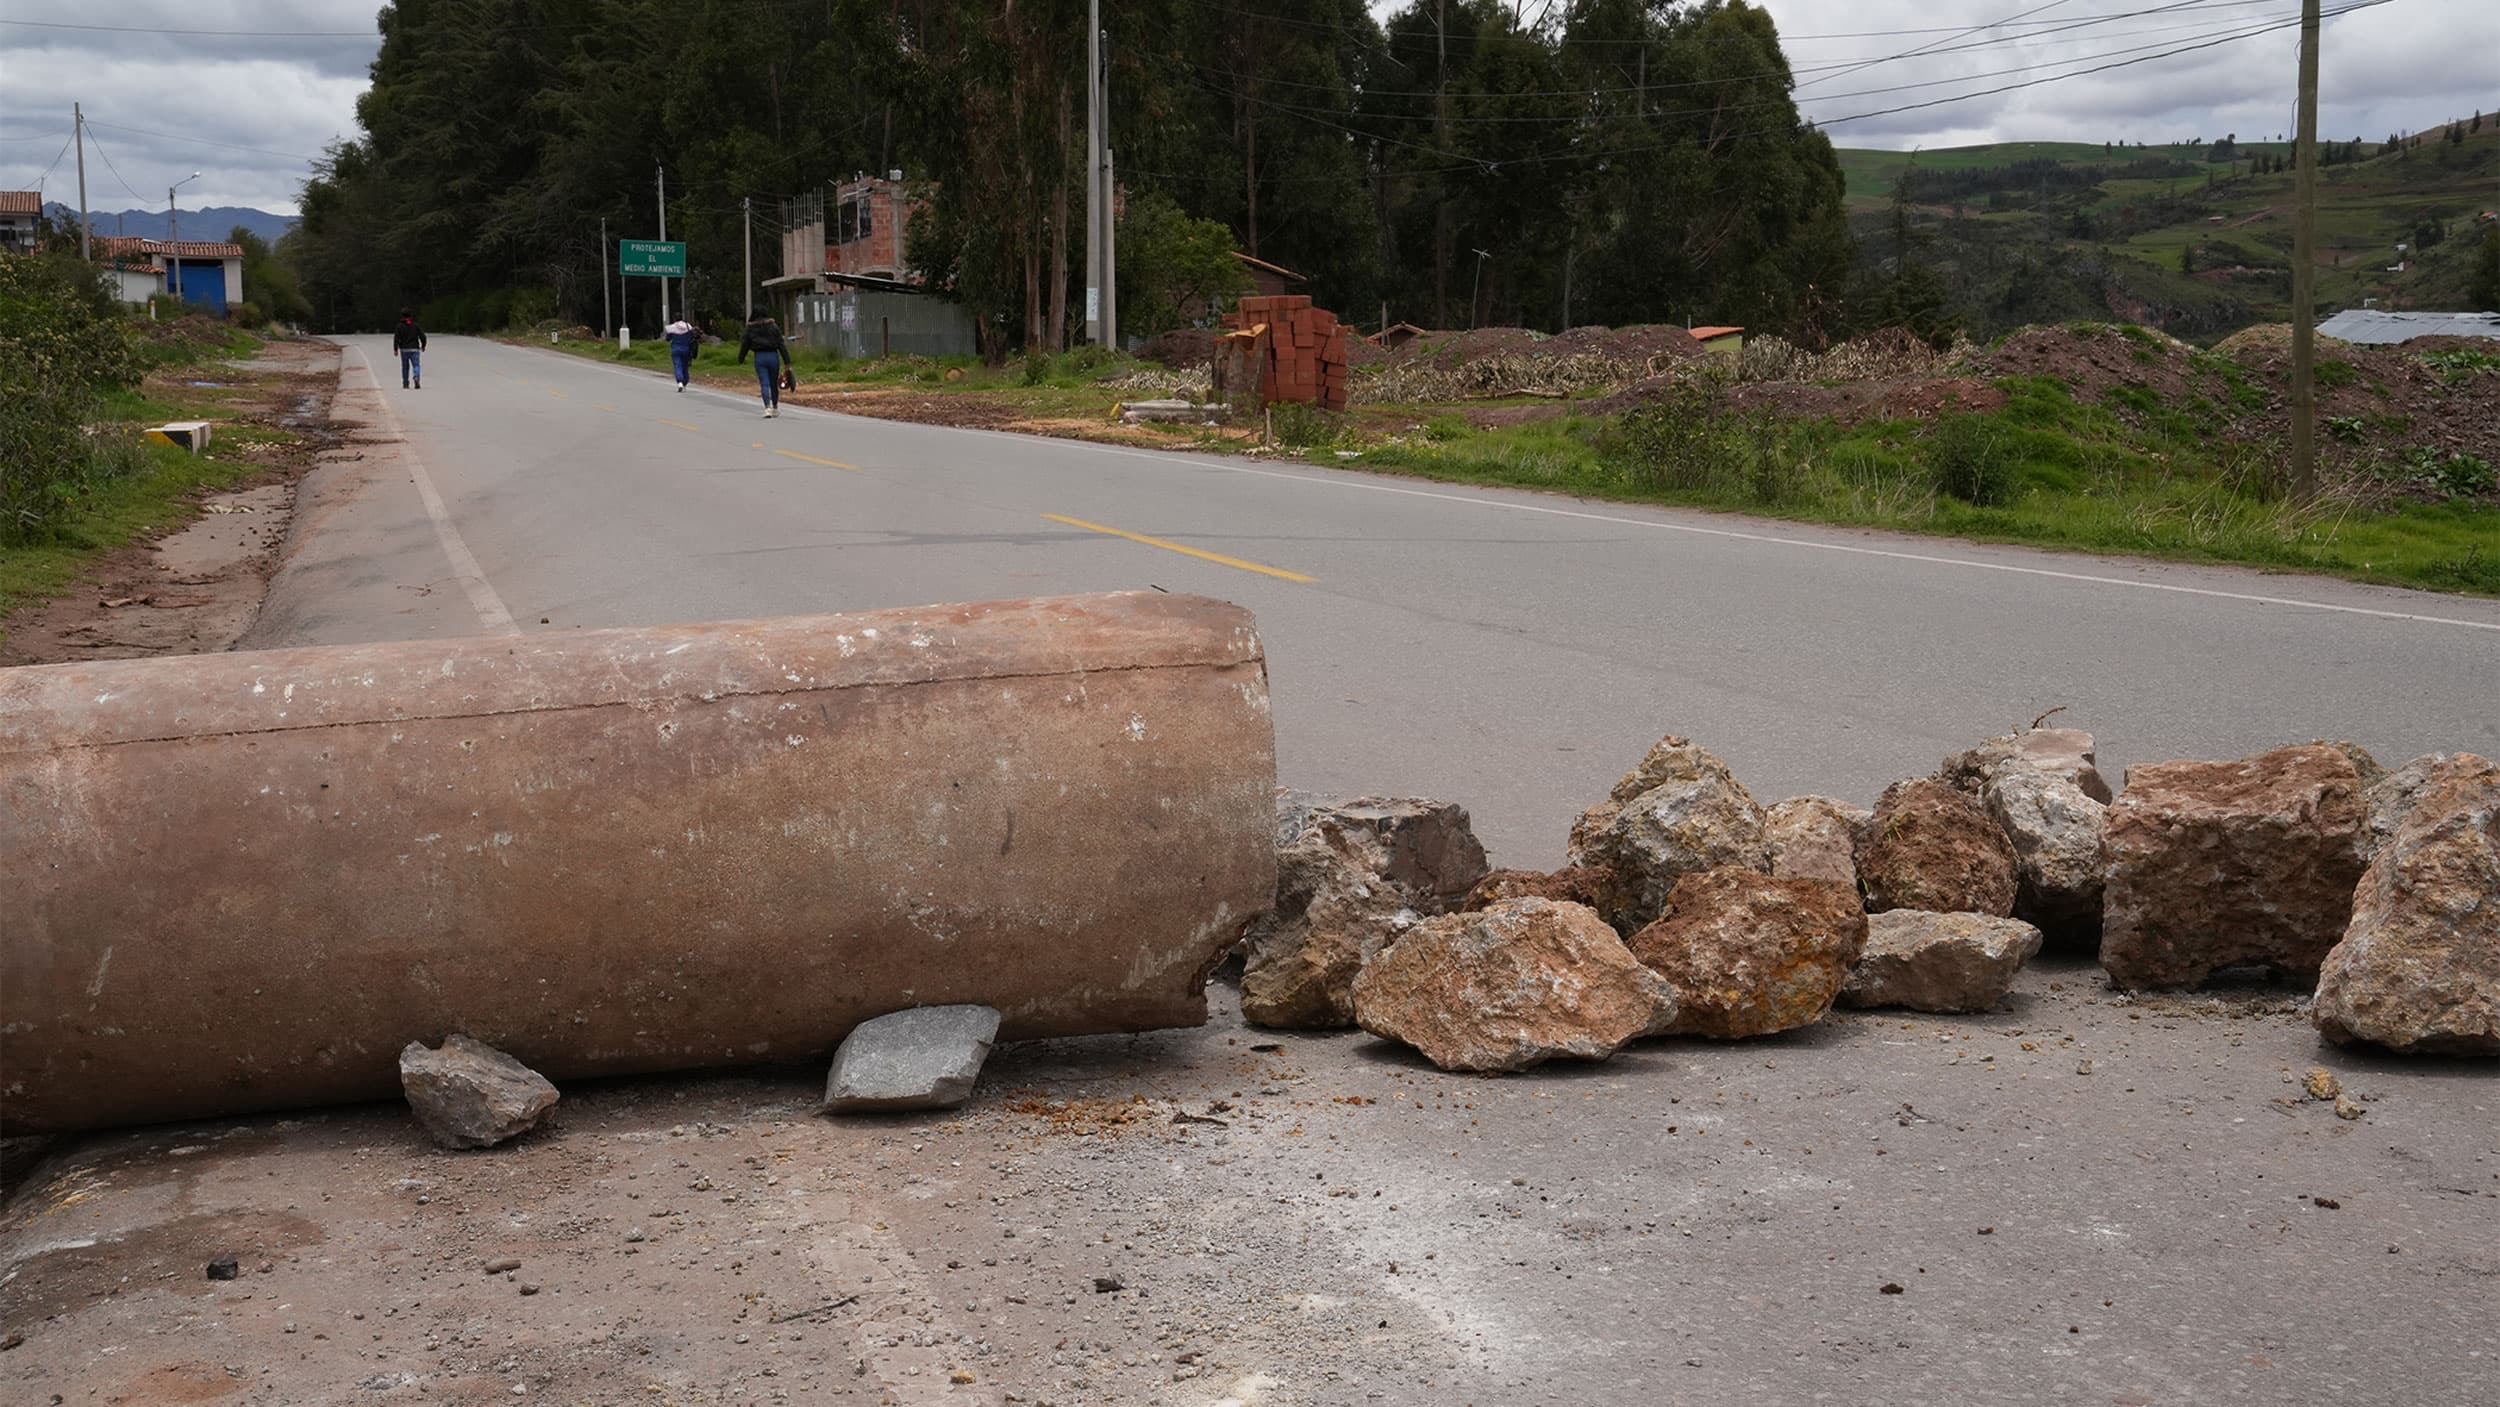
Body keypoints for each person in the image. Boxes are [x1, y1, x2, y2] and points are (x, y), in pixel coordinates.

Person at [736, 314, 787, 418]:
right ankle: (775, 407)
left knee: (764, 383)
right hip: (773, 355)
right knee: (774, 383)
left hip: (759, 356)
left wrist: (741, 357)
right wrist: (787, 360)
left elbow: (745, 344)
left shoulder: (751, 328)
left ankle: (767, 407)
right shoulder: (773, 326)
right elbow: (781, 343)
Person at [392, 311, 427, 389]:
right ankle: (416, 376)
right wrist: (423, 345)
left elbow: (396, 338)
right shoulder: (415, 325)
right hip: (415, 349)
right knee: (416, 365)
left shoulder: (399, 326)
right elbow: (422, 336)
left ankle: (405, 383)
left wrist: (395, 349)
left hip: (404, 349)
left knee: (405, 367)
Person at [664, 316, 699, 391]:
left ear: (675, 319)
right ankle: (685, 383)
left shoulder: (672, 327)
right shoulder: (688, 326)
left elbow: (667, 339)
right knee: (685, 367)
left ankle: (679, 382)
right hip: (686, 349)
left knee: (677, 365)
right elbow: (692, 337)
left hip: (675, 349)